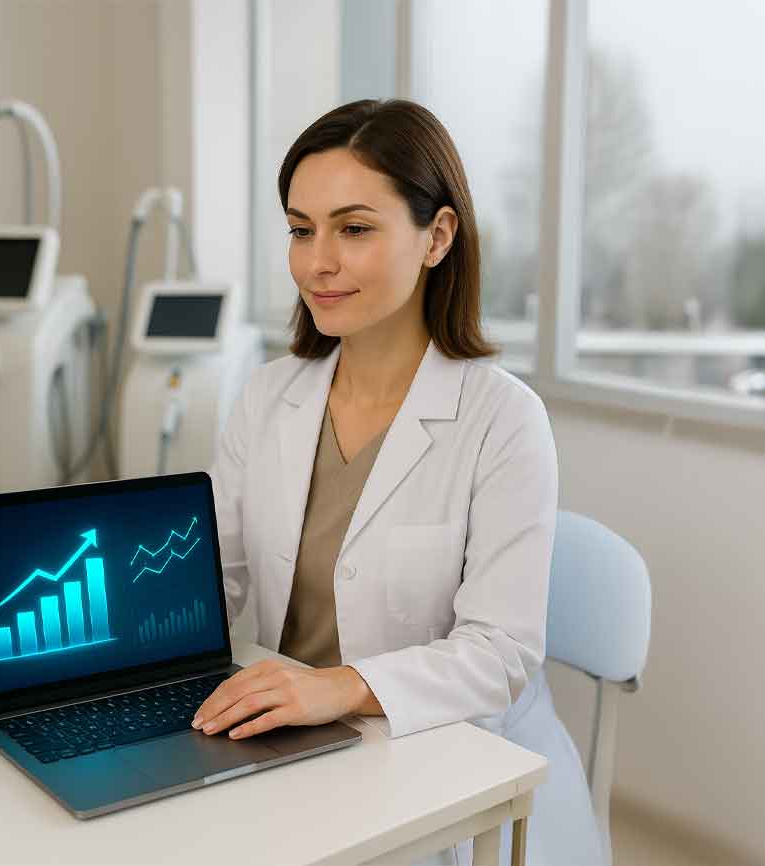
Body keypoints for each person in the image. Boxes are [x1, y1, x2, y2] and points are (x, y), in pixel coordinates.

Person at [192, 98, 607, 866]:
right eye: (300, 228)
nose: (317, 261)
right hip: (290, 746)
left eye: (353, 229)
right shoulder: (268, 396)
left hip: (439, 764)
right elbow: (216, 579)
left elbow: (500, 653)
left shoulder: (503, 419)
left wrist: (342, 686)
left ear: (437, 236)